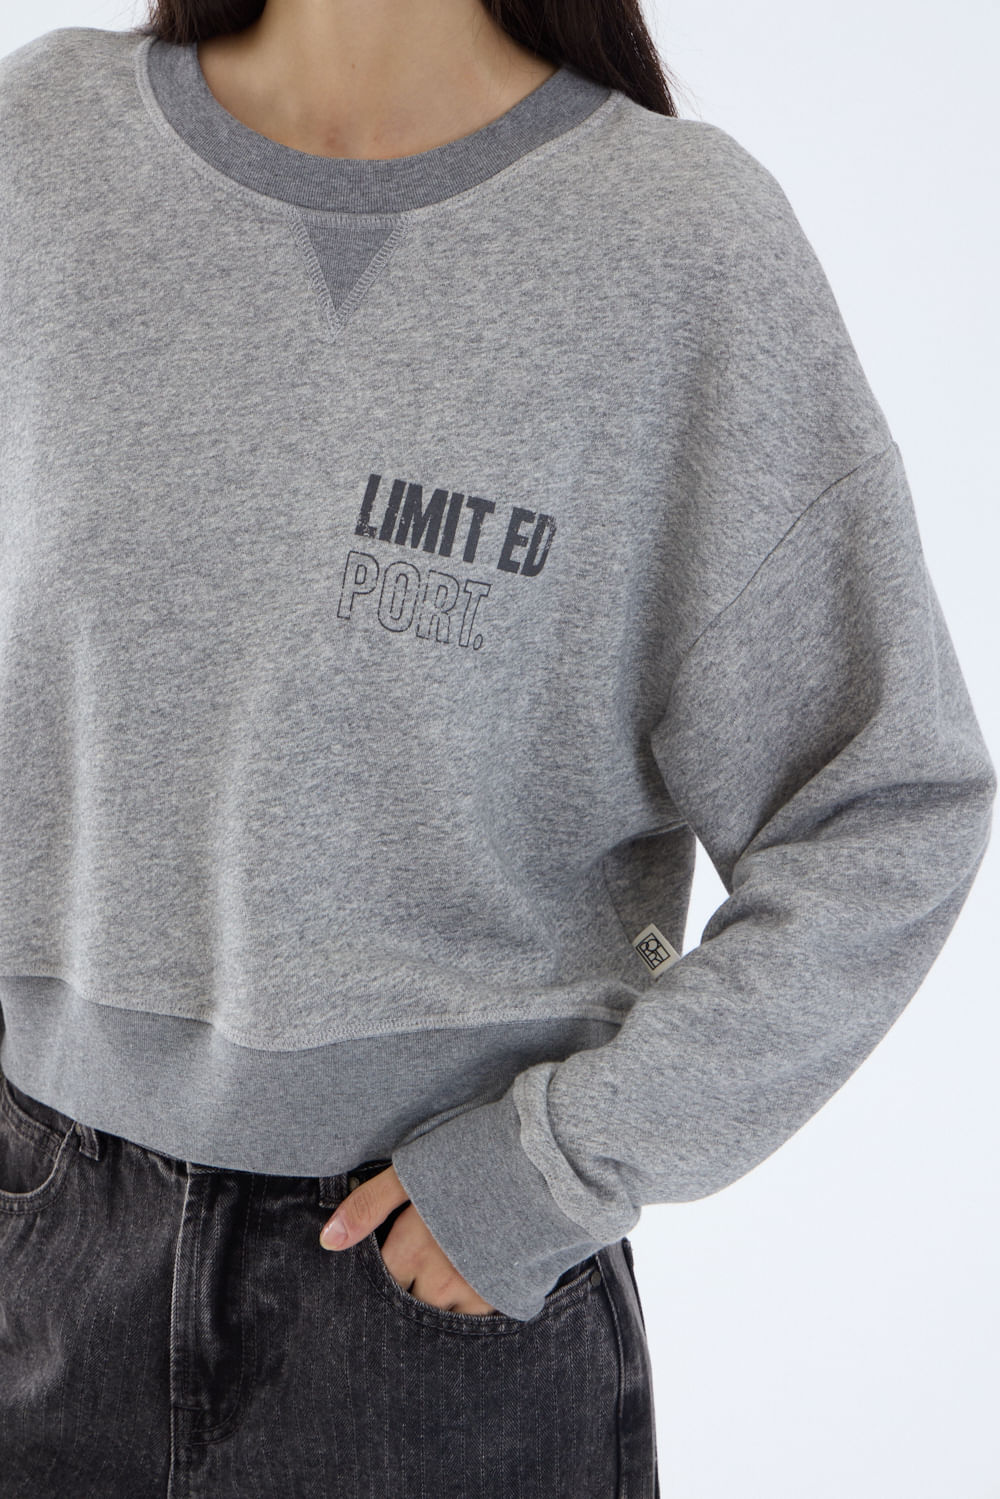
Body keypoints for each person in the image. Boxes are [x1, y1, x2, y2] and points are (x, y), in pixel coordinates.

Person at [0, 0, 993, 1494]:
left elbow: (886, 803)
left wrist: (558, 1167)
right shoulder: (41, 148)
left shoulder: (679, 246)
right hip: (36, 1253)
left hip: (429, 1308)